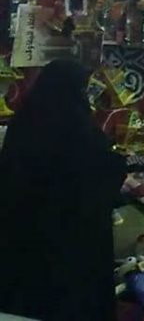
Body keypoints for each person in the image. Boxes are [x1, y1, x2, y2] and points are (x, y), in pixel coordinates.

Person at [0, 59, 126, 321]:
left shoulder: (22, 125)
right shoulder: (80, 129)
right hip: (71, 245)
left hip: (24, 239)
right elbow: (99, 174)